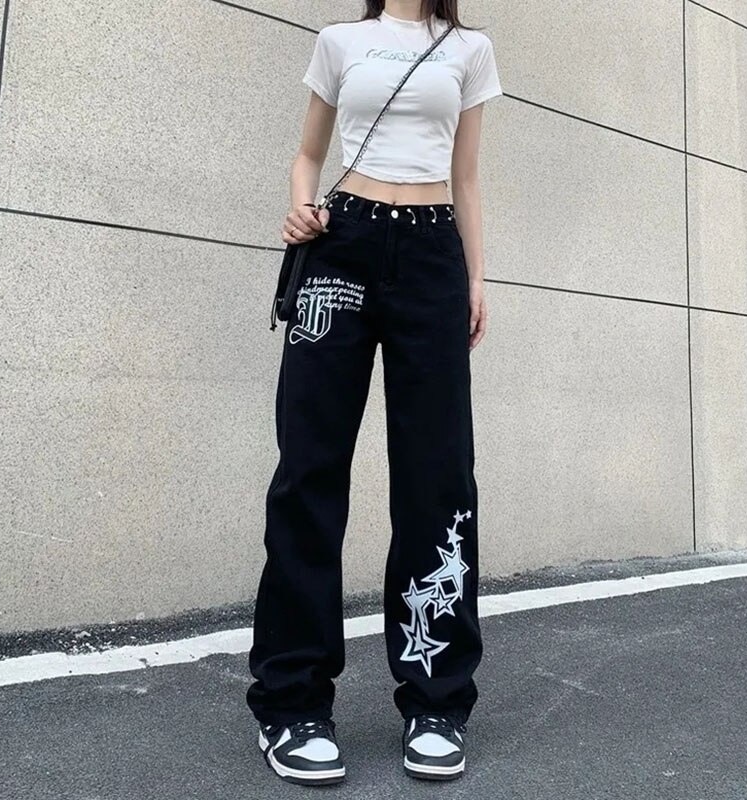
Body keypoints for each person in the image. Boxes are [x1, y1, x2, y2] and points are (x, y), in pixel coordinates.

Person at [246, 0, 503, 786]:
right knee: (309, 469)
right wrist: (300, 205)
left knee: (438, 478)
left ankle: (436, 700)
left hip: (431, 258)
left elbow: (465, 177)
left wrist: (475, 278)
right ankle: (292, 702)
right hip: (341, 247)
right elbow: (307, 155)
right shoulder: (340, 41)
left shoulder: (469, 49)